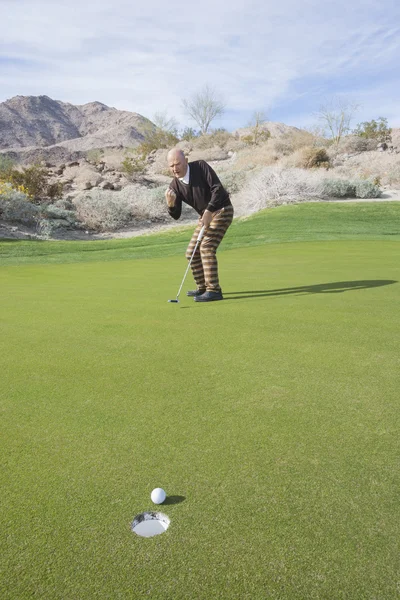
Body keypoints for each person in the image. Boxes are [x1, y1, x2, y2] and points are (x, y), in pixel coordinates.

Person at [165, 148, 234, 302]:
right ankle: (202, 288)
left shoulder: (200, 167)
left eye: (178, 164)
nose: (175, 169)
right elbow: (176, 215)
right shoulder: (175, 185)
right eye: (171, 166)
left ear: (186, 161)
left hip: (223, 209)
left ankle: (214, 290)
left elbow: (218, 189)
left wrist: (209, 210)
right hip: (205, 216)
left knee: (206, 247)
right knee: (191, 252)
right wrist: (170, 205)